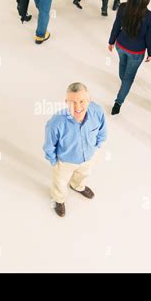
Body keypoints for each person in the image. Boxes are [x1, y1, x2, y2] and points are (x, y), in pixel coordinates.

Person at [43, 83, 107, 217]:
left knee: (83, 174)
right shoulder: (56, 122)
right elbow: (49, 146)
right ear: (66, 102)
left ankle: (77, 186)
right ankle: (58, 199)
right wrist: (54, 163)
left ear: (89, 100)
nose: (78, 107)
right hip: (65, 162)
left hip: (89, 157)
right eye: (73, 102)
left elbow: (102, 131)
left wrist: (96, 148)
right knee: (59, 182)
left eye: (82, 101)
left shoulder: (97, 111)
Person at [108, 0, 151, 115]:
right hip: (136, 52)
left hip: (121, 45)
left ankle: (123, 82)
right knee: (128, 78)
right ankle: (118, 103)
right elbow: (150, 37)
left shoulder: (123, 7)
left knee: (122, 66)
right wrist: (150, 53)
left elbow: (116, 25)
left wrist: (111, 41)